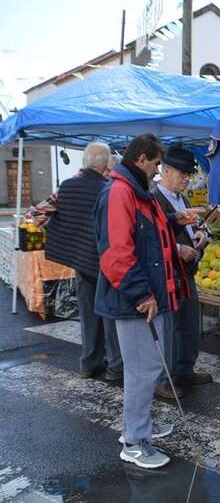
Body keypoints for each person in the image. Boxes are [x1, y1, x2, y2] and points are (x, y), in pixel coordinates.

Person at [94, 133, 195, 469]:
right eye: (154, 164)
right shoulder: (120, 192)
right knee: (143, 369)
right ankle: (135, 441)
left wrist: (171, 220)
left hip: (146, 295)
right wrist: (141, 294)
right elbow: (116, 254)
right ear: (141, 159)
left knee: (146, 368)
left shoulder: (134, 191)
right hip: (135, 299)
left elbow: (144, 234)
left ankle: (139, 427)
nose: (155, 171)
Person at [44, 142, 123, 380]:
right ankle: (115, 367)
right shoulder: (109, 190)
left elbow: (35, 214)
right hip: (105, 263)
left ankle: (89, 365)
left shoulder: (66, 187)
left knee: (88, 316)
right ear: (106, 164)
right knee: (110, 316)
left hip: (80, 261)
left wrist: (59, 229)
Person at [152, 145, 212, 398]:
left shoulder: (182, 198)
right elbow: (150, 235)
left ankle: (185, 369)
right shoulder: (153, 197)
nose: (187, 179)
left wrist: (200, 236)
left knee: (189, 324)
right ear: (166, 171)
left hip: (186, 273)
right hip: (167, 273)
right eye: (183, 174)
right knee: (168, 328)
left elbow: (190, 226)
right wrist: (177, 248)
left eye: (189, 175)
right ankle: (163, 378)